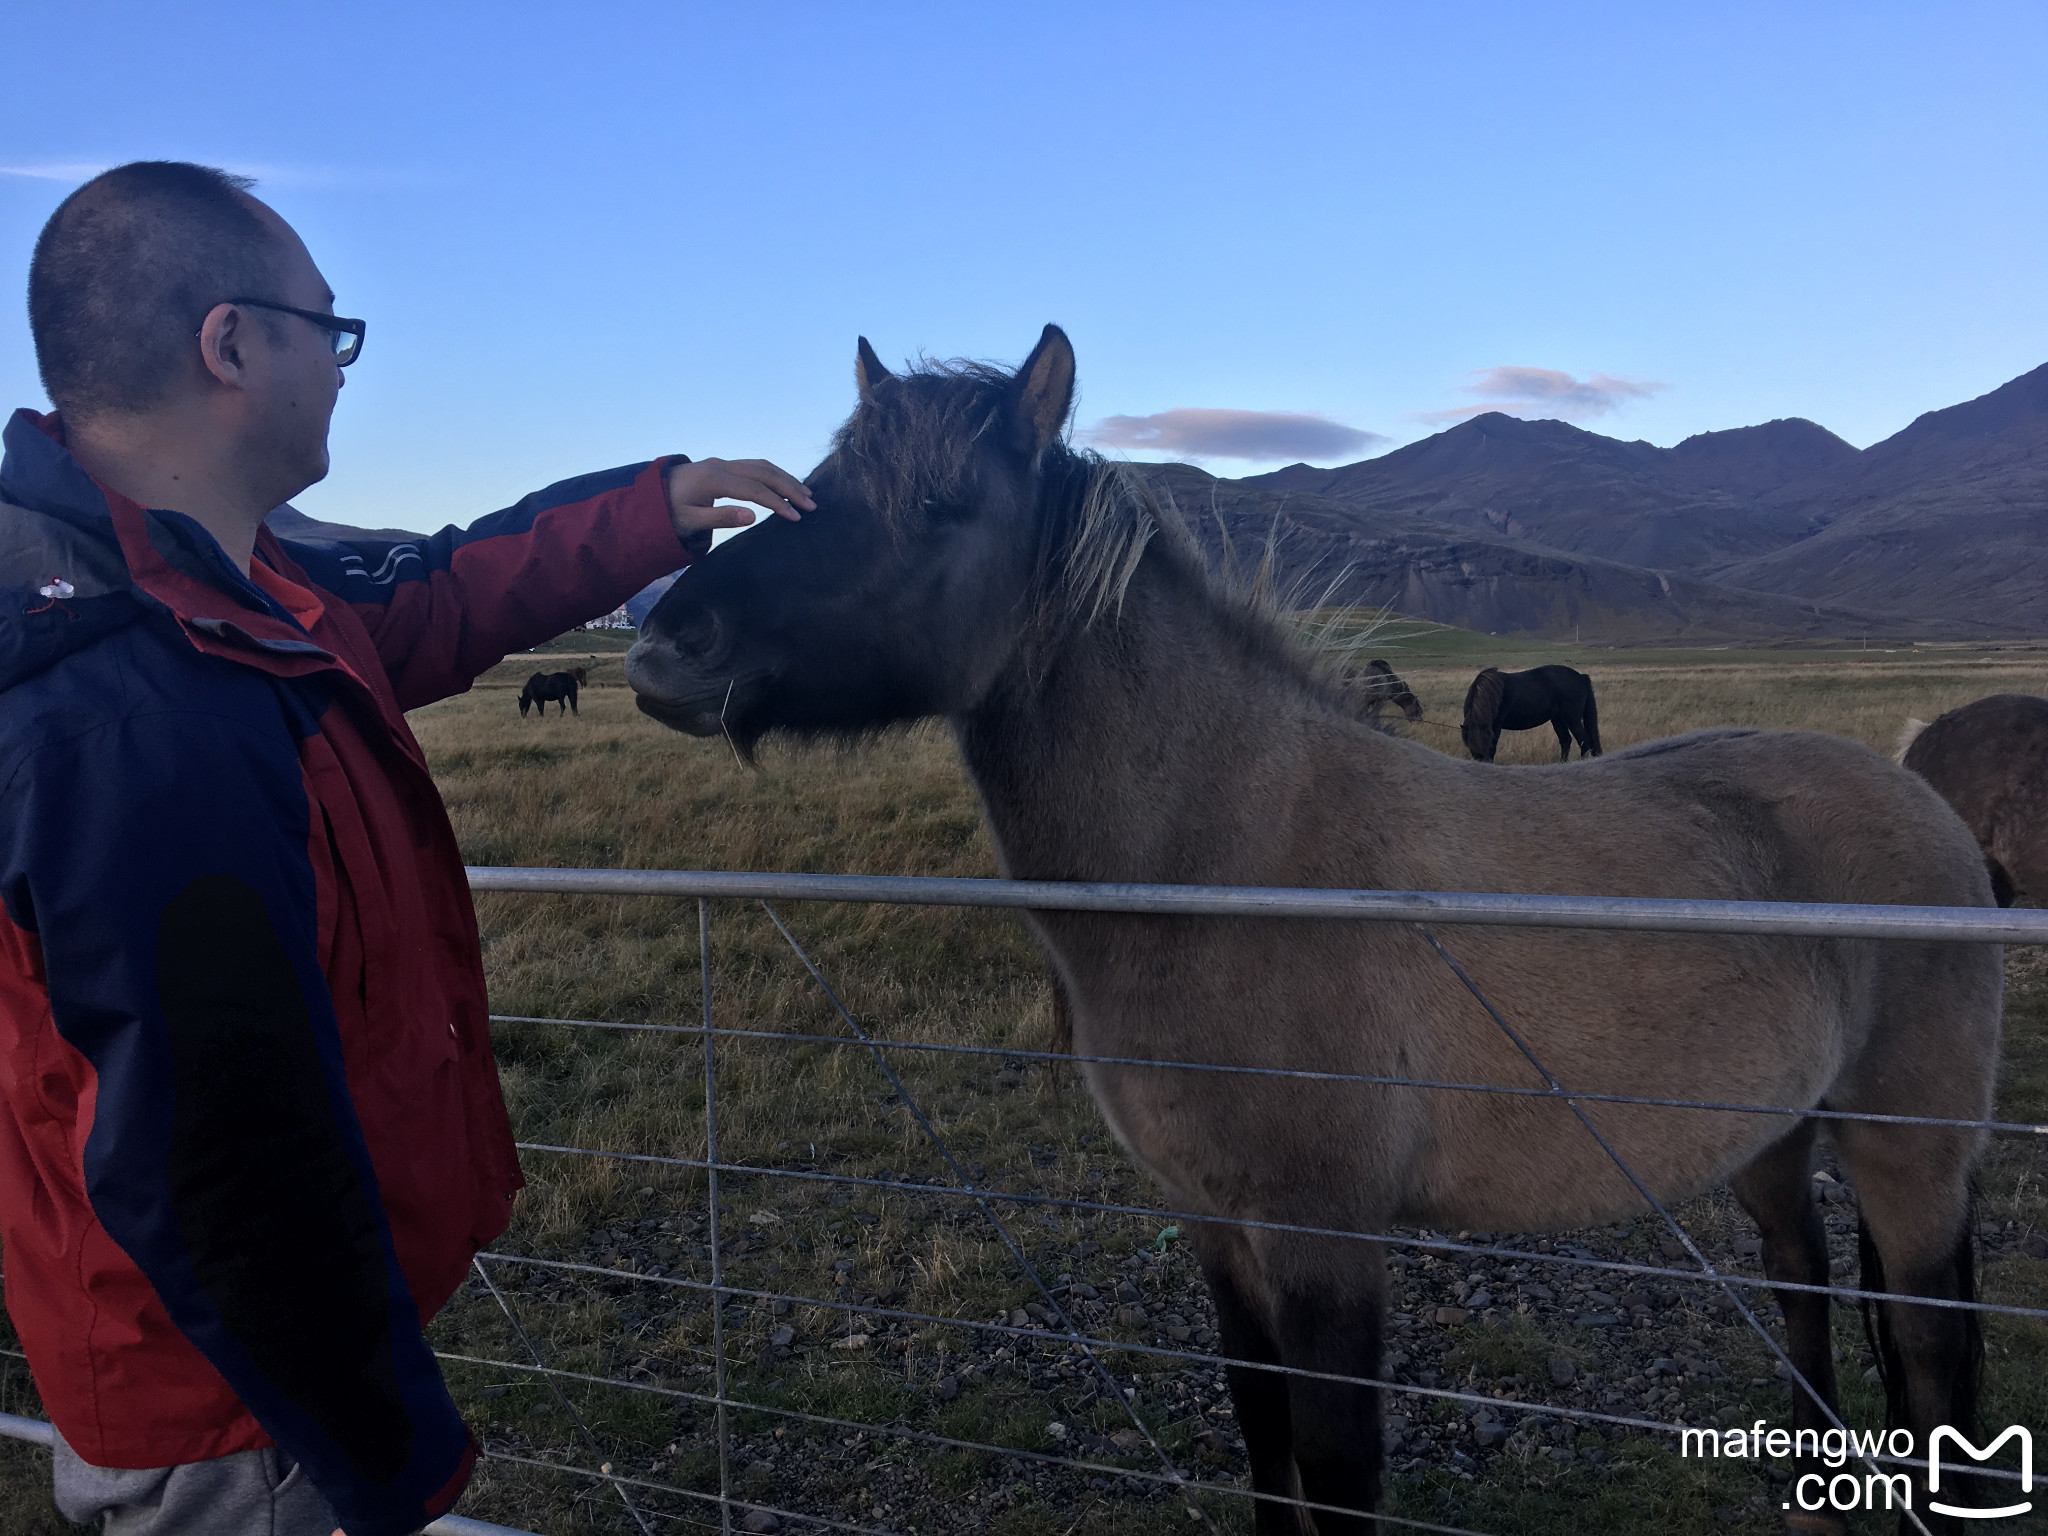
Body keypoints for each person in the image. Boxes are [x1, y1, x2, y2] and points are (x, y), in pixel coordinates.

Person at [0, 161, 813, 1536]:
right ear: (234, 342)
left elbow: (437, 596)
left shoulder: (239, 589)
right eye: (331, 328)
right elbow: (212, 1153)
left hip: (273, 1386)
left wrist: (651, 507)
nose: (342, 364)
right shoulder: (121, 704)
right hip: (241, 1422)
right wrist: (390, 1449)